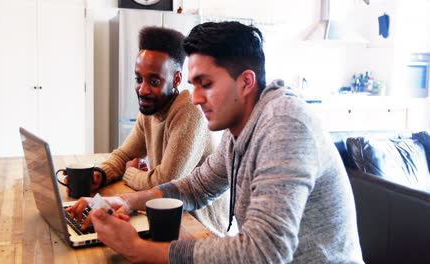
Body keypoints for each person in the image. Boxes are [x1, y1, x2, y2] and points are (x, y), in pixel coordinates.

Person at [68, 21, 364, 263]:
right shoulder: (241, 128)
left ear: (246, 82)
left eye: (206, 84)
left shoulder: (283, 125)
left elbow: (263, 253)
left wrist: (138, 249)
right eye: (194, 85)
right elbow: (196, 187)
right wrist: (126, 200)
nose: (196, 98)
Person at [66, 26, 230, 237]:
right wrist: (100, 174)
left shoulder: (189, 109)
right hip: (165, 219)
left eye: (154, 81)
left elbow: (166, 182)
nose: (142, 90)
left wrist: (130, 173)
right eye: (138, 79)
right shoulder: (151, 108)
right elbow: (125, 154)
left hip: (199, 229)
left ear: (177, 79)